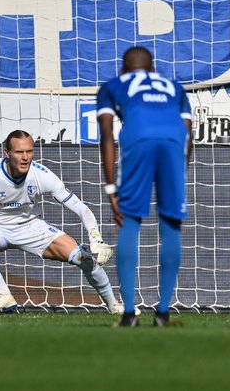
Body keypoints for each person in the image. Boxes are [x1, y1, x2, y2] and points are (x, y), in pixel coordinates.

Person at [0, 130, 119, 313]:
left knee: (84, 258)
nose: (25, 157)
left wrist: (96, 238)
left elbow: (79, 207)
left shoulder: (41, 175)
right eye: (19, 152)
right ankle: (4, 295)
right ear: (6, 153)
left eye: (29, 151)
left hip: (31, 227)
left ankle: (114, 306)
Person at [97, 46, 192, 328]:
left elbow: (106, 135)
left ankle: (128, 314)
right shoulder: (173, 86)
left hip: (138, 137)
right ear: (153, 69)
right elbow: (188, 132)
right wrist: (177, 174)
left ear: (122, 70)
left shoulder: (113, 85)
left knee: (128, 221)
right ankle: (162, 313)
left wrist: (111, 188)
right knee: (171, 223)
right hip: (175, 141)